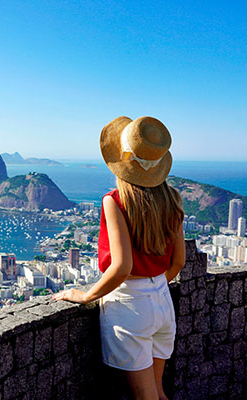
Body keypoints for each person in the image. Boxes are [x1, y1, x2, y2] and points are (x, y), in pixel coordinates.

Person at [52, 116, 186, 400]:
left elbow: (122, 266)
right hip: (162, 301)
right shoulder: (173, 198)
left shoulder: (114, 201)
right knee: (159, 392)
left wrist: (85, 295)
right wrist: (153, 287)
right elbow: (178, 263)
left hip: (130, 307)